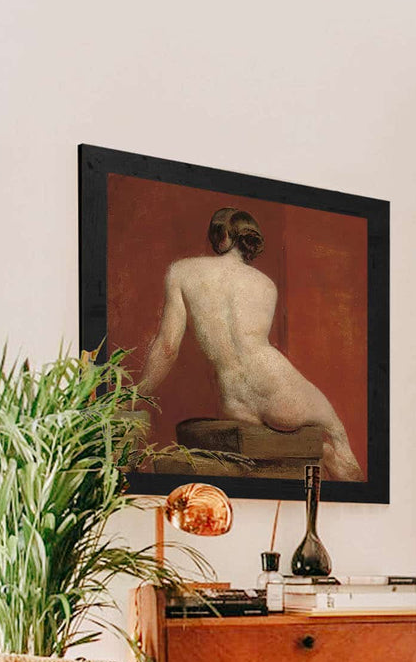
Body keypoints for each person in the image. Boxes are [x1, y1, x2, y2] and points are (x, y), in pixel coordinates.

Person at [138, 206, 364, 481]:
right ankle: (331, 458)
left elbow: (167, 347)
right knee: (336, 432)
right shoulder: (264, 283)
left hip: (234, 399)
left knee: (264, 455)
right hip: (274, 386)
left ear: (220, 237)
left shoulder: (182, 272)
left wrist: (138, 393)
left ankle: (322, 454)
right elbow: (253, 346)